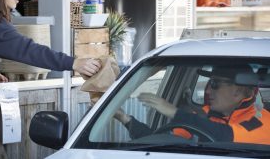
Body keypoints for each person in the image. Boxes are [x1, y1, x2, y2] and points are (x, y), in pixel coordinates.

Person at [115, 65, 270, 145]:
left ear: (238, 91)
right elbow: (164, 143)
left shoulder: (262, 120)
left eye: (215, 84)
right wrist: (126, 119)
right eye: (209, 83)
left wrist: (175, 112)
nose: (208, 90)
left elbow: (225, 136)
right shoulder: (202, 115)